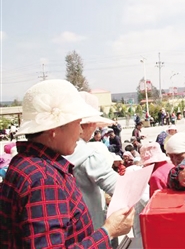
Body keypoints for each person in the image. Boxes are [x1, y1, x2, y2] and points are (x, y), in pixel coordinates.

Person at [0, 79, 135, 248]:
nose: (80, 131)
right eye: (77, 123)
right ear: (54, 129)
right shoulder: (44, 179)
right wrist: (108, 232)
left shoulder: (26, 164)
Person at [65, 91, 118, 231]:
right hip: (90, 230)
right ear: (89, 124)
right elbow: (120, 187)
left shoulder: (56, 152)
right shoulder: (87, 154)